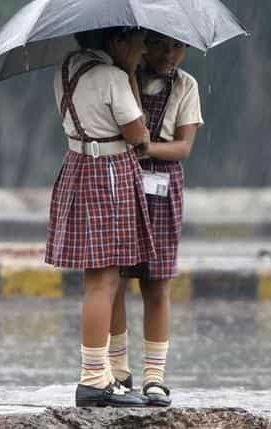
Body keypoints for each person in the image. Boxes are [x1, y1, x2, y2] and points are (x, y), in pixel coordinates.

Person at [45, 26, 156, 408]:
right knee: (103, 279)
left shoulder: (66, 69)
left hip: (77, 166)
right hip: (107, 172)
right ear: (118, 41)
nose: (144, 52)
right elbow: (138, 133)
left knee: (101, 278)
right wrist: (127, 76)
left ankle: (104, 374)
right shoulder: (111, 77)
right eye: (139, 44)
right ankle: (93, 379)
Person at [108, 32, 203, 407]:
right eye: (161, 45)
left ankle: (155, 376)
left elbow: (183, 146)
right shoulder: (120, 77)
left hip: (163, 184)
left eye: (178, 47)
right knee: (113, 279)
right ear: (142, 44)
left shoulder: (186, 86)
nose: (170, 54)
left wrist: (147, 147)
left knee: (157, 282)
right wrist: (128, 74)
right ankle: (117, 369)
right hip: (121, 179)